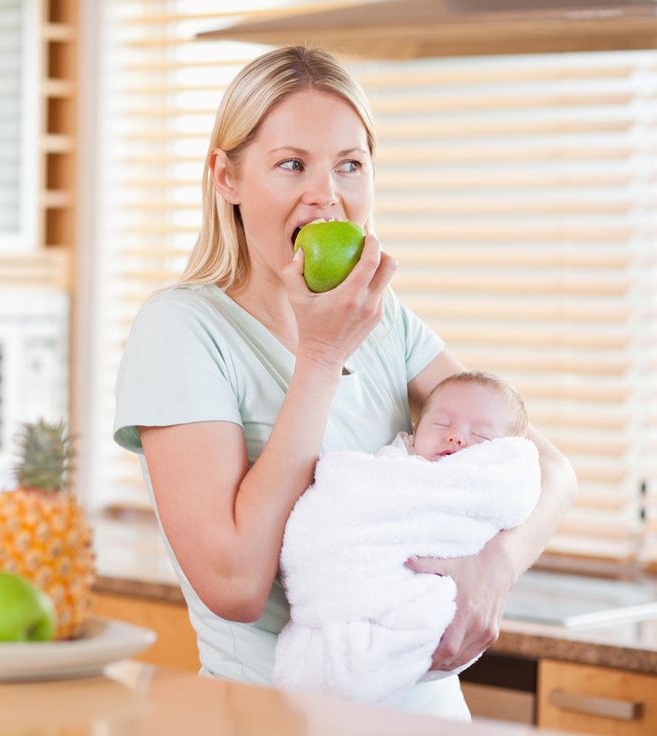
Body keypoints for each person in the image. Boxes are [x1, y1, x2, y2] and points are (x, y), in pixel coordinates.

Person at [113, 46, 576, 720]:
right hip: (276, 718)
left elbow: (552, 469)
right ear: (226, 177)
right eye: (292, 164)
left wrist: (495, 568)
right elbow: (235, 584)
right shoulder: (181, 331)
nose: (325, 194)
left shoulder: (386, 323)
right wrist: (321, 357)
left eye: (349, 165)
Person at [273, 370, 540, 707]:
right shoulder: (386, 470)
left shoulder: (487, 491)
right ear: (415, 433)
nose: (456, 437)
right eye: (441, 424)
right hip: (340, 592)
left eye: (482, 437)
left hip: (416, 621)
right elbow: (334, 510)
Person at [396, 370, 529, 461]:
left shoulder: (505, 488)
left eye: (480, 434)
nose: (456, 437)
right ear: (416, 430)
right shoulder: (394, 462)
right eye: (441, 423)